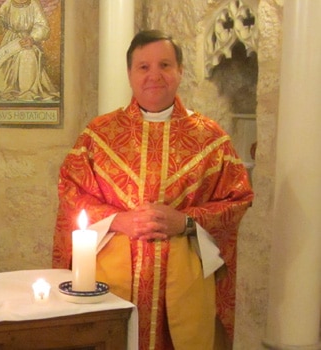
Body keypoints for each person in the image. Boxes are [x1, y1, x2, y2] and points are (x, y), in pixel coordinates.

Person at [52, 29, 253, 350]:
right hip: (113, 281)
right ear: (130, 74)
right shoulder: (99, 134)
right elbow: (71, 193)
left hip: (184, 285)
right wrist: (119, 221)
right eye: (143, 67)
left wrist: (185, 221)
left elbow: (237, 199)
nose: (154, 75)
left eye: (165, 65)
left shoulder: (211, 138)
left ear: (180, 71)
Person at [0, 0, 59, 101]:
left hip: (28, 41)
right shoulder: (8, 4)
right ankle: (8, 89)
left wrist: (32, 38)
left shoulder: (34, 4)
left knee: (28, 55)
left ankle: (27, 92)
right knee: (1, 84)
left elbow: (43, 27)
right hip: (9, 44)